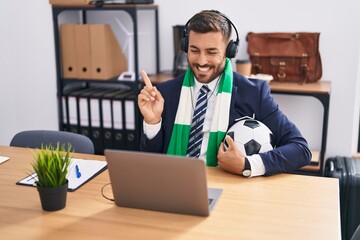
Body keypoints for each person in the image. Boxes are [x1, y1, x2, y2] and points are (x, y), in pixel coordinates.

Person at [137, 9, 311, 177]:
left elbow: (300, 149)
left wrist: (247, 165)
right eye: (194, 50)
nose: (201, 61)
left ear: (229, 52)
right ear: (185, 47)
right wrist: (152, 123)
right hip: (173, 182)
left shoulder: (254, 92)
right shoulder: (165, 92)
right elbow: (151, 160)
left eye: (211, 52)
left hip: (226, 187)